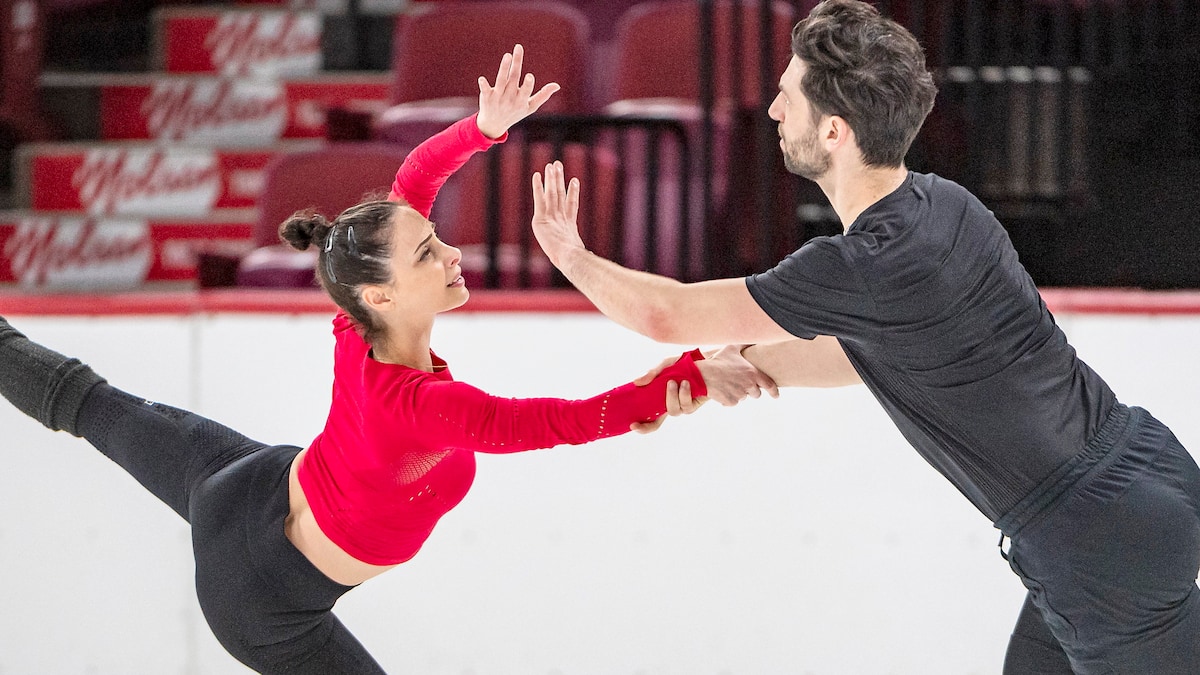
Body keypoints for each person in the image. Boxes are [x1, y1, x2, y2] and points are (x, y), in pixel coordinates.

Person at [529, 2, 1200, 673]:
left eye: (787, 97)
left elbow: (666, 314)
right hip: (1140, 475)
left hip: (1094, 540)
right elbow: (872, 354)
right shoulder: (946, 205)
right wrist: (727, 370)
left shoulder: (862, 263)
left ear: (834, 131)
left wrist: (571, 255)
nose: (772, 112)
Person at [0, 46, 717, 675]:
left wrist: (483, 130)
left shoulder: (357, 315)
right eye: (430, 253)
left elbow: (412, 180)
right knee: (87, 404)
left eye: (436, 240)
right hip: (259, 599)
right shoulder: (423, 406)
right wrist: (676, 385)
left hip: (248, 481)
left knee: (90, 405)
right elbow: (554, 423)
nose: (453, 253)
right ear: (382, 291)